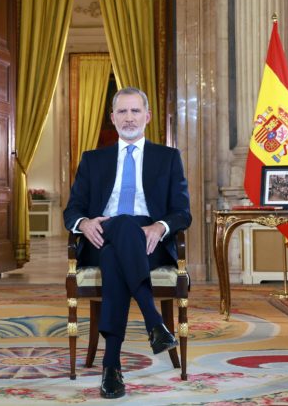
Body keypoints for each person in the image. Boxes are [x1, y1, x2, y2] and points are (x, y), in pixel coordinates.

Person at [63, 87, 192, 399]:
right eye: (122, 111)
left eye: (135, 111)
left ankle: (111, 366)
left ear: (147, 117)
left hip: (149, 244)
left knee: (114, 258)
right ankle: (154, 321)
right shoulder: (93, 160)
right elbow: (72, 210)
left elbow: (182, 212)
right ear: (112, 117)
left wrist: (160, 227)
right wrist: (85, 223)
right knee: (120, 222)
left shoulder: (168, 157)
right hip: (100, 235)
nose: (129, 117)